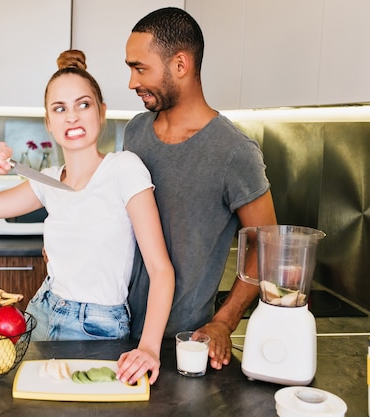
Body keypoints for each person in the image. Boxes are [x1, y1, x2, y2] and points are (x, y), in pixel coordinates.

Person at [0, 50, 175, 385]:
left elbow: (161, 269)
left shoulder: (124, 168)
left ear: (102, 112)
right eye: (60, 109)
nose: (72, 117)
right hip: (40, 312)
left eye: (83, 105)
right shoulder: (47, 181)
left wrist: (149, 348)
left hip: (97, 326)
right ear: (49, 122)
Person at [122, 7, 277, 371]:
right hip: (115, 327)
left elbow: (267, 244)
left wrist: (224, 320)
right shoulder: (134, 132)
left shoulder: (234, 151)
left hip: (184, 345)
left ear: (180, 64)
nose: (131, 82)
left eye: (139, 68)